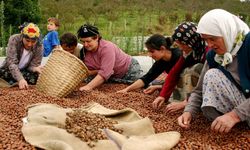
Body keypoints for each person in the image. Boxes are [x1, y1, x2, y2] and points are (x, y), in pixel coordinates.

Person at [177, 9, 250, 133]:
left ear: (227, 31)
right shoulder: (214, 56)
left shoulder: (248, 45)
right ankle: (233, 126)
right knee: (212, 75)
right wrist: (188, 111)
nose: (209, 45)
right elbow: (199, 90)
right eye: (205, 40)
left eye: (213, 39)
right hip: (240, 110)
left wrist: (234, 115)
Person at [152, 22, 209, 113]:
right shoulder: (188, 53)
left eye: (183, 44)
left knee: (197, 68)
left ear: (192, 41)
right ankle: (182, 100)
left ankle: (194, 105)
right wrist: (162, 95)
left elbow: (207, 83)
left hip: (205, 92)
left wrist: (186, 103)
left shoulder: (207, 53)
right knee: (183, 71)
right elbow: (174, 73)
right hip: (194, 93)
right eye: (178, 44)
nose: (181, 48)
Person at [77, 24, 142, 91]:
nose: (85, 45)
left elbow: (105, 73)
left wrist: (88, 87)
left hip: (128, 70)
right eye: (83, 42)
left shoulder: (107, 48)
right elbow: (88, 71)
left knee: (141, 85)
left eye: (88, 41)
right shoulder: (84, 52)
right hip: (112, 76)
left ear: (96, 37)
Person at [117, 34, 181, 94]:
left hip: (186, 86)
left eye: (152, 51)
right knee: (156, 83)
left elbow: (181, 81)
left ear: (162, 49)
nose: (149, 55)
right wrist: (127, 89)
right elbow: (147, 78)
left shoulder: (179, 57)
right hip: (177, 83)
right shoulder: (161, 61)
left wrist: (159, 87)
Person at [0, 22, 43, 89]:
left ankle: (14, 83)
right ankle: (16, 82)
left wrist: (35, 68)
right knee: (3, 73)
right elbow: (11, 63)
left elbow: (31, 66)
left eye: (33, 42)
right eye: (27, 40)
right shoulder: (14, 39)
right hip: (9, 70)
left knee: (37, 77)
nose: (29, 44)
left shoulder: (39, 46)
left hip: (24, 71)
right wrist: (20, 79)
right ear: (22, 36)